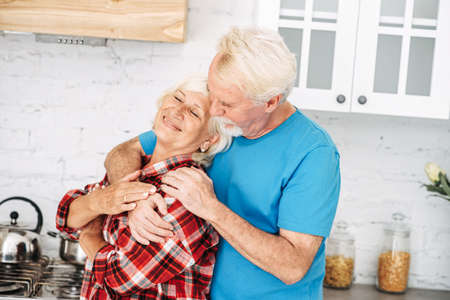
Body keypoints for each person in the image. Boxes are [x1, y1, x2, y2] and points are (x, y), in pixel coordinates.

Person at [104, 27, 341, 300]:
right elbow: (123, 151)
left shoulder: (314, 154)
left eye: (226, 104)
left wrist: (211, 209)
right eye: (211, 92)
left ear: (270, 102)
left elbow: (293, 266)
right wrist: (135, 199)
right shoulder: (217, 127)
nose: (213, 110)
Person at [55, 76, 234, 299]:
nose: (178, 111)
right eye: (177, 98)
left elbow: (119, 278)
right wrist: (98, 202)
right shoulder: (136, 169)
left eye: (194, 112)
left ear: (209, 139)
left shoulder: (185, 191)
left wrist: (89, 234)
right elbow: (66, 219)